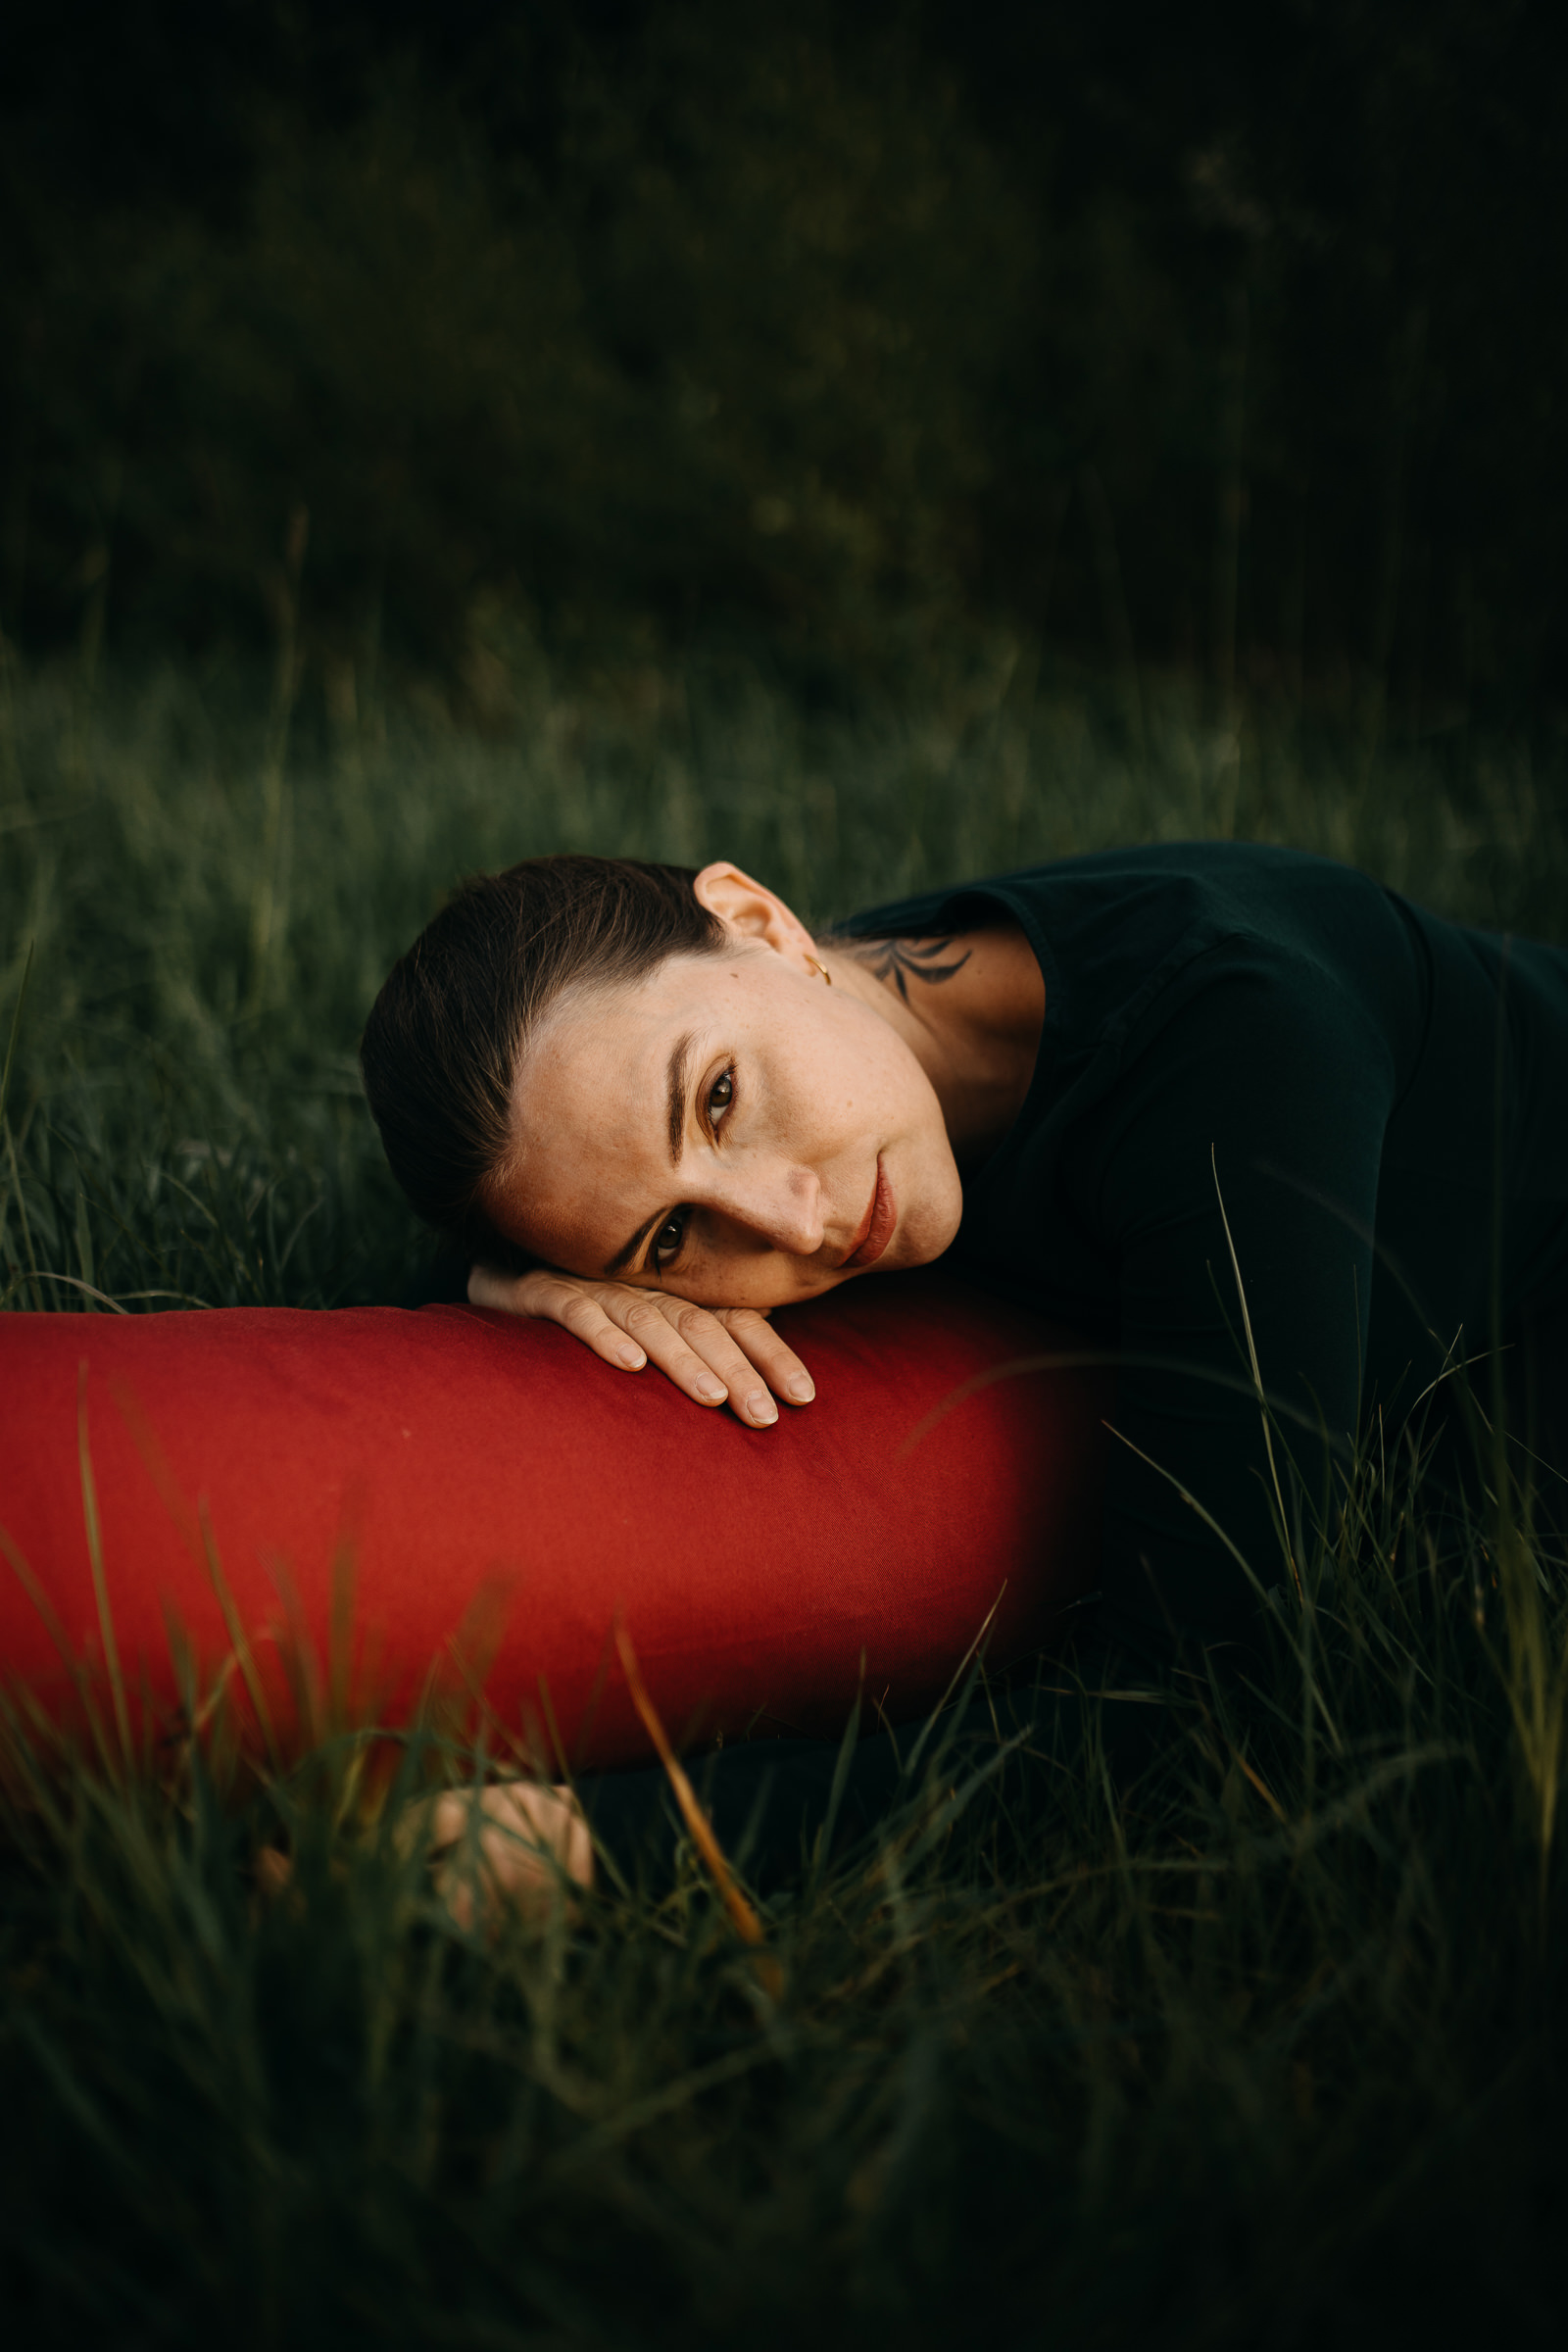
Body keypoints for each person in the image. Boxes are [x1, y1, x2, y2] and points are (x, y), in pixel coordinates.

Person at [359, 845, 1568, 1912]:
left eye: (720, 1099)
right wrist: (510, 1285)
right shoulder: (817, 1009)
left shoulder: (1242, 1048)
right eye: (673, 1243)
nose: (792, 1221)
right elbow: (554, 1159)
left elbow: (1197, 1709)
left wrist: (607, 1842)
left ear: (764, 923)